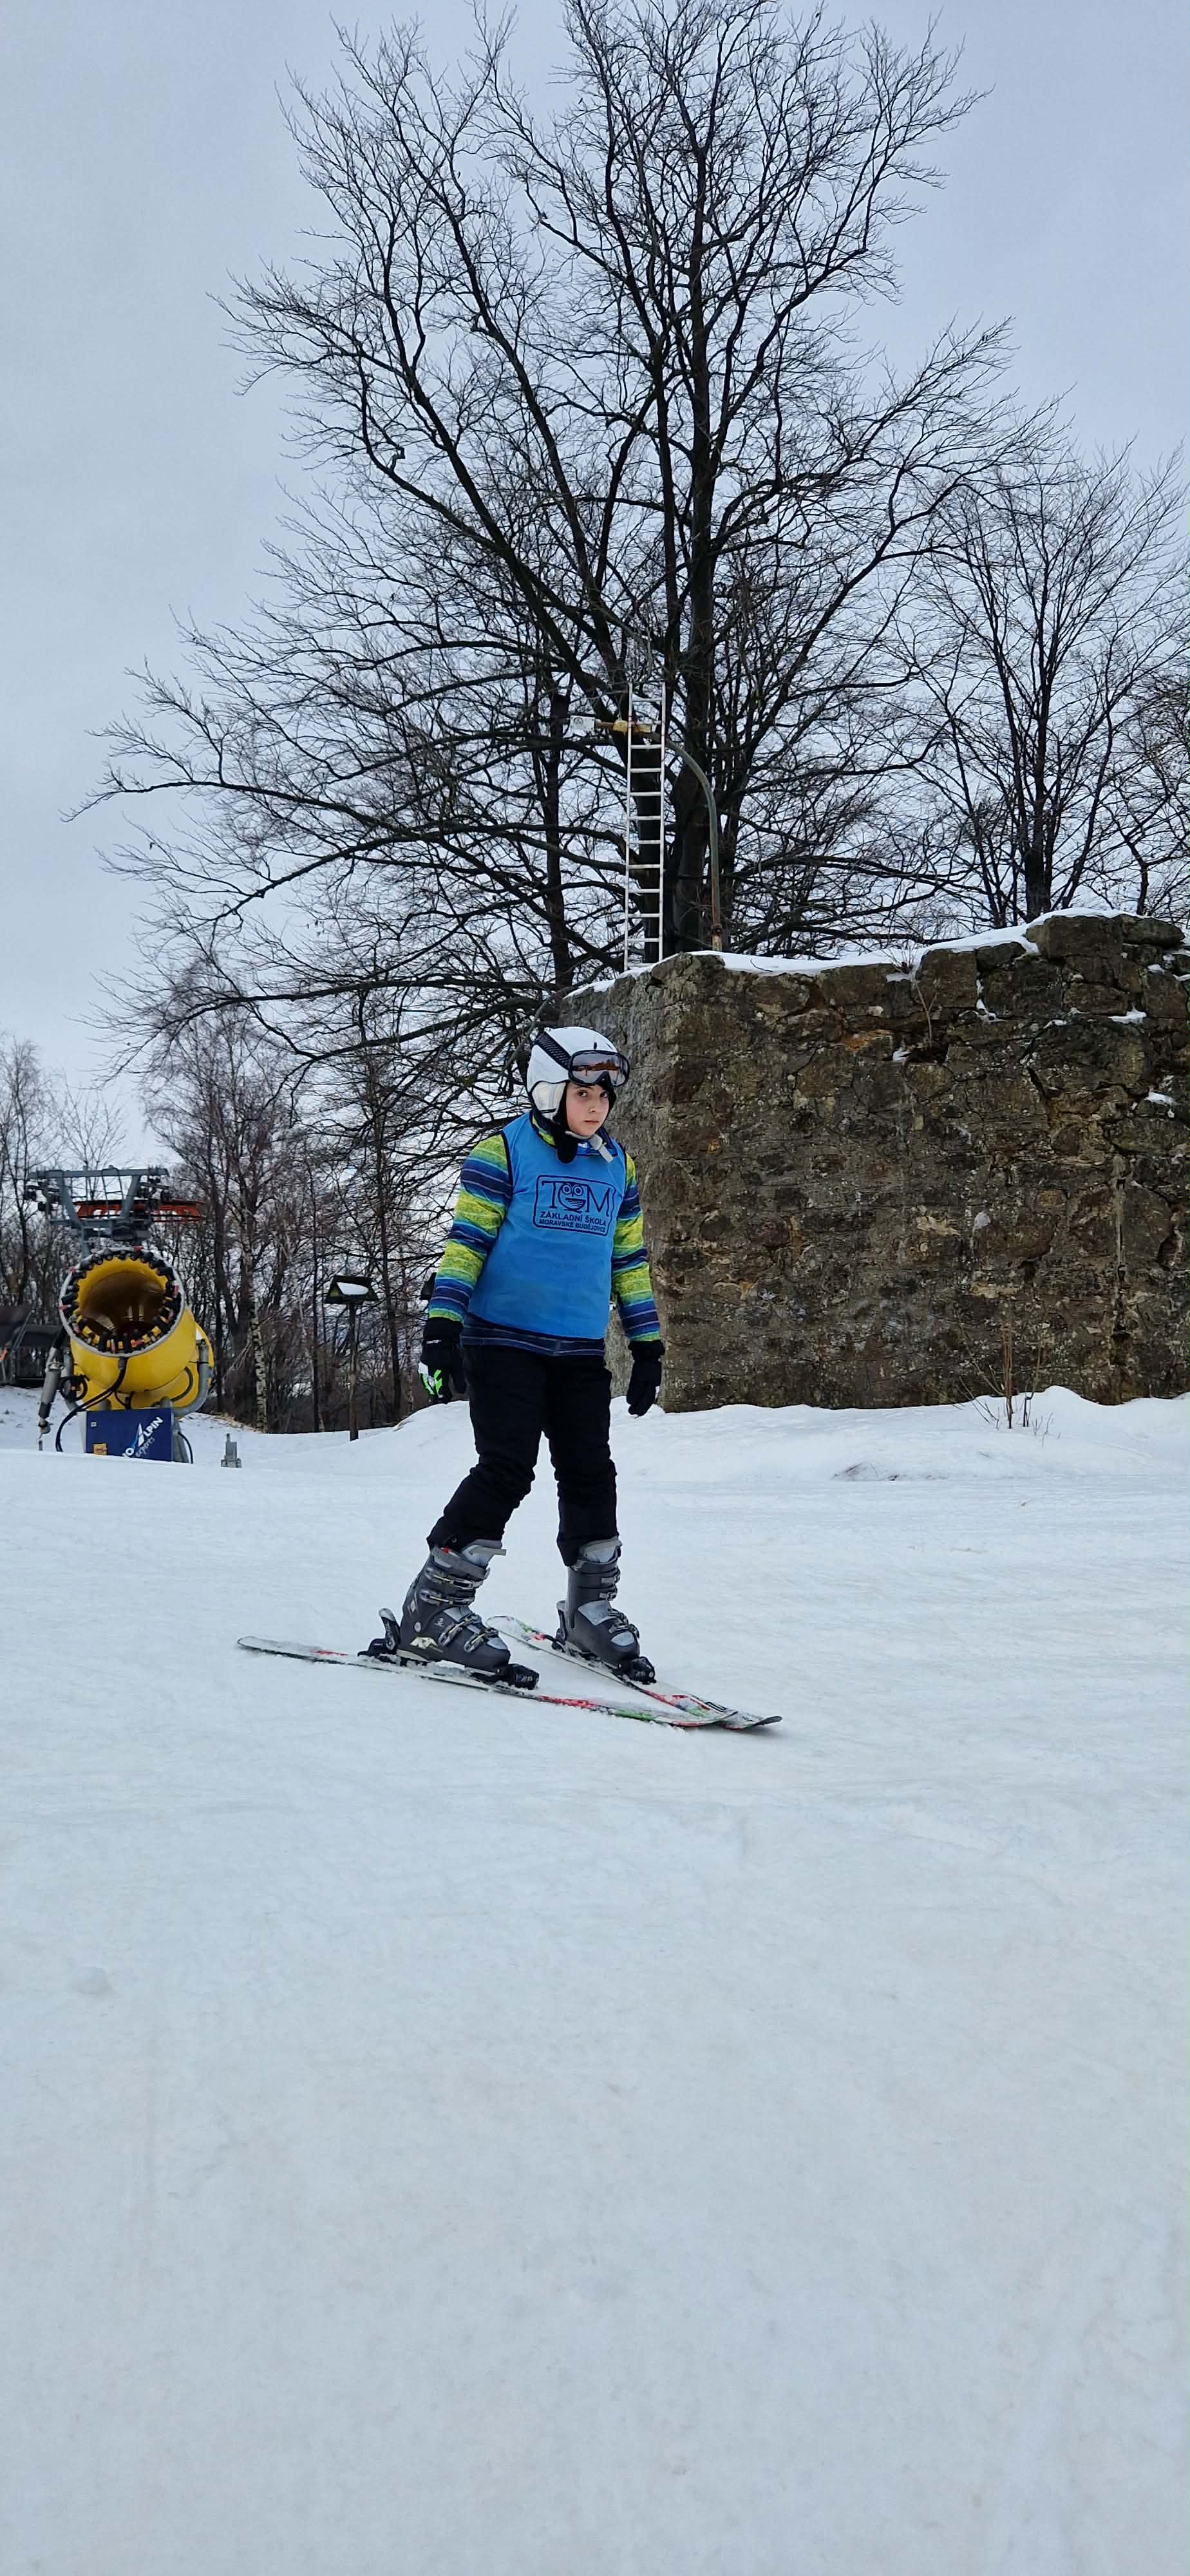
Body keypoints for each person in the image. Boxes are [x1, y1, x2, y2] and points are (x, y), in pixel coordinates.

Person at [387, 1025, 665, 1688]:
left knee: (591, 1472)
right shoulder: (502, 1154)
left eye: (604, 1094)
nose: (596, 1105)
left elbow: (627, 1258)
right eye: (582, 1092)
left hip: (578, 1348)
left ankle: (589, 1608)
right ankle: (434, 1606)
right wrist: (441, 1327)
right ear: (547, 1090)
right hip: (501, 1339)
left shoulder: (618, 1167)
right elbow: (466, 1246)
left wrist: (647, 1343)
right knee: (507, 1468)